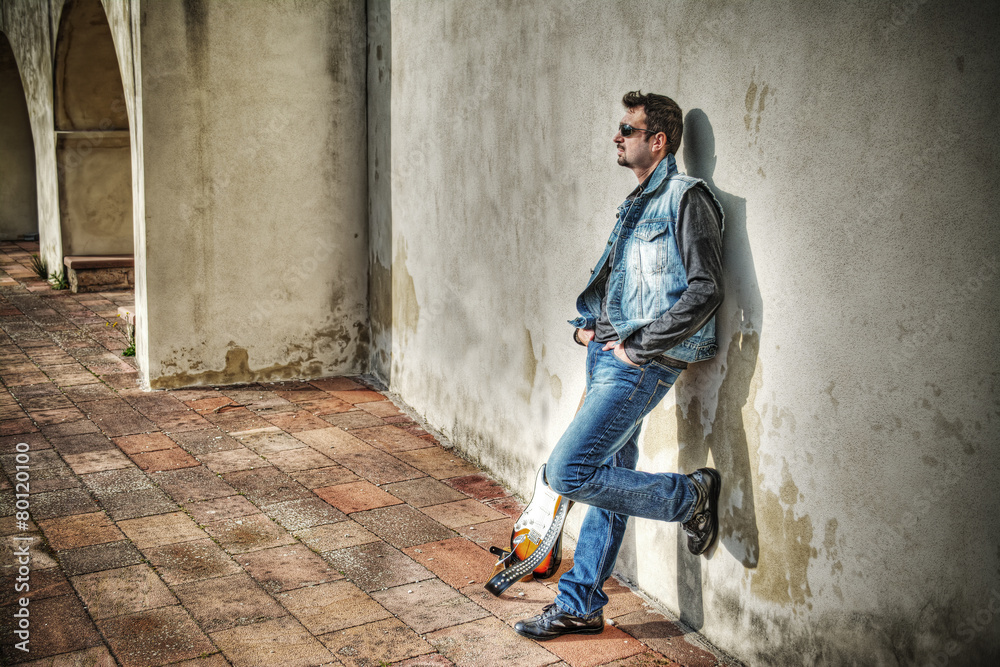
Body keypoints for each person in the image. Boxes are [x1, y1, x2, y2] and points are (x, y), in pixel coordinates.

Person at [514, 91, 725, 641]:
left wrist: (639, 346)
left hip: (638, 363)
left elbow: (705, 290)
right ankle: (580, 603)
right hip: (605, 355)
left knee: (568, 472)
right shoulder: (636, 202)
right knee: (606, 480)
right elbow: (623, 283)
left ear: (658, 140)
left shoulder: (686, 197)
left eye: (627, 130)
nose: (617, 136)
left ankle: (690, 497)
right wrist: (587, 330)